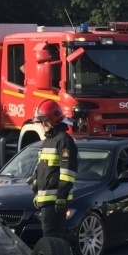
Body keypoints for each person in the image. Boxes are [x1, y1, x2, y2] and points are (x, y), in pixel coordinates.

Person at [30, 100, 78, 240]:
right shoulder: (48, 141)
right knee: (49, 237)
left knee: (54, 238)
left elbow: (68, 172)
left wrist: (61, 197)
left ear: (55, 120)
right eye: (41, 121)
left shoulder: (63, 140)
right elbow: (43, 167)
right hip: (46, 200)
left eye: (45, 121)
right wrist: (35, 183)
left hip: (56, 201)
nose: (42, 124)